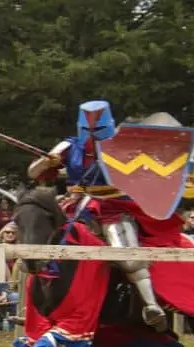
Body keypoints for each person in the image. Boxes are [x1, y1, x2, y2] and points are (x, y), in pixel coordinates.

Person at [26, 100, 166, 331]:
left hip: (114, 205)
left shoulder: (125, 146)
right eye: (88, 130)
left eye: (97, 129)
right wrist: (46, 162)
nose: (92, 134)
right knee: (39, 244)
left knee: (128, 256)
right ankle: (40, 306)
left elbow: (147, 172)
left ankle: (151, 305)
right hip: (75, 204)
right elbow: (33, 172)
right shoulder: (68, 146)